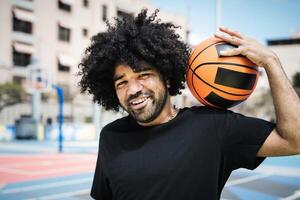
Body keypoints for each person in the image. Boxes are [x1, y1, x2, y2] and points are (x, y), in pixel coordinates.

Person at [78, 9, 300, 200]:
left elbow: (295, 140)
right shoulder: (110, 136)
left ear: (166, 78)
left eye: (143, 75)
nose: (134, 89)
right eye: (122, 82)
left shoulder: (212, 125)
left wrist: (271, 62)